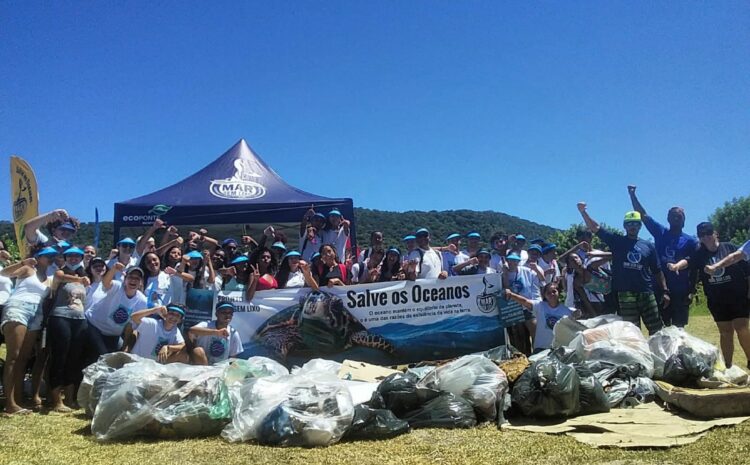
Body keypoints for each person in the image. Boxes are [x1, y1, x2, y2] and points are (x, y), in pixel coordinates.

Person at [578, 202, 667, 334]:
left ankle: (660, 353)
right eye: (629, 223)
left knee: (657, 329)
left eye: (636, 223)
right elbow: (595, 227)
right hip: (625, 295)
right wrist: (583, 212)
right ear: (625, 226)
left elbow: (657, 271)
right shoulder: (617, 241)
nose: (633, 226)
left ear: (640, 226)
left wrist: (665, 291)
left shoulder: (648, 246)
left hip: (646, 292)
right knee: (631, 332)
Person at [669, 222, 750, 368]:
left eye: (708, 233)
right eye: (702, 235)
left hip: (737, 296)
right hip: (716, 299)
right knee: (725, 332)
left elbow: (747, 270)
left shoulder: (729, 248)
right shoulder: (699, 253)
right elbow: (688, 261)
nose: (706, 237)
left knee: (741, 328)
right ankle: (728, 366)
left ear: (715, 233)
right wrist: (676, 266)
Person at [628, 185, 699, 327]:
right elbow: (643, 215)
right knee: (661, 325)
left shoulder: (691, 241)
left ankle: (678, 350)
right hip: (659, 288)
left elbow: (695, 268)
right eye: (673, 216)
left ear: (684, 220)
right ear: (668, 218)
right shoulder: (661, 233)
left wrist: (691, 291)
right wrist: (632, 195)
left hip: (681, 290)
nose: (676, 219)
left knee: (679, 327)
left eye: (679, 216)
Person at [0, 247, 55, 414]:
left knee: (24, 358)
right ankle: (9, 404)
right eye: (46, 256)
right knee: (13, 357)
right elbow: (4, 273)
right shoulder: (28, 269)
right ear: (38, 257)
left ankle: (18, 399)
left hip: (36, 315)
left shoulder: (50, 279)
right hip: (19, 307)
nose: (50, 259)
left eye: (52, 256)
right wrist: (22, 262)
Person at [47, 247, 90, 412]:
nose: (73, 259)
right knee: (59, 357)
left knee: (74, 359)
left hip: (79, 320)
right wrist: (79, 279)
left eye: (77, 256)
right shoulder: (61, 273)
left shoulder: (83, 276)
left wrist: (82, 279)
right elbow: (58, 277)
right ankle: (56, 401)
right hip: (60, 318)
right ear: (65, 258)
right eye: (70, 256)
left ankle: (70, 399)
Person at [85, 264, 148, 359]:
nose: (133, 280)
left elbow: (130, 326)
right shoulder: (117, 287)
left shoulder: (142, 300)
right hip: (94, 325)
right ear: (125, 279)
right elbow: (106, 283)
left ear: (141, 282)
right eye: (130, 277)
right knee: (104, 355)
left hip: (114, 335)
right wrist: (114, 269)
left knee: (118, 357)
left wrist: (125, 347)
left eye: (137, 278)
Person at [504, 282, 576, 352]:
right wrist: (511, 295)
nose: (552, 294)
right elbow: (525, 301)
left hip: (558, 350)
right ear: (544, 295)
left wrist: (578, 313)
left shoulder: (567, 311)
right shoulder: (539, 306)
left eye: (554, 291)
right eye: (548, 293)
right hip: (540, 348)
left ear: (559, 292)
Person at [502, 252, 541, 354]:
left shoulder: (527, 271)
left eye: (515, 260)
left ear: (518, 261)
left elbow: (541, 280)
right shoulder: (502, 274)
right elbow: (505, 289)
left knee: (535, 333)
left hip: (527, 306)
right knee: (519, 338)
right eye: (510, 260)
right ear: (507, 261)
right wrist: (505, 275)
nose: (512, 262)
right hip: (512, 309)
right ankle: (522, 358)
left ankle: (537, 355)